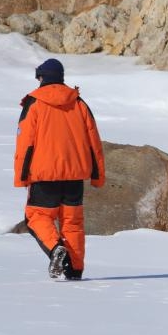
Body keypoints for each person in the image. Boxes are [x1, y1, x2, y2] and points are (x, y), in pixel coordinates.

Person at [14, 58, 105, 280]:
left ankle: (56, 250)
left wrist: (21, 176)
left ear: (42, 77)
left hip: (44, 175)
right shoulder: (79, 103)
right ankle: (74, 271)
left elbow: (25, 142)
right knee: (72, 223)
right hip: (75, 176)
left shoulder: (34, 103)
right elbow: (94, 141)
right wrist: (98, 176)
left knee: (36, 217)